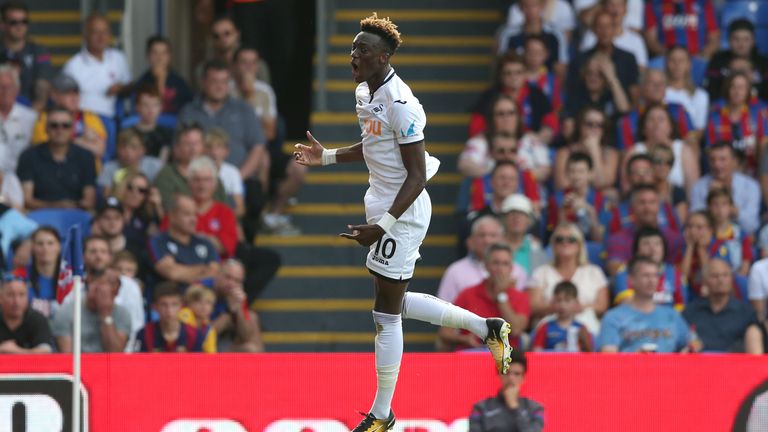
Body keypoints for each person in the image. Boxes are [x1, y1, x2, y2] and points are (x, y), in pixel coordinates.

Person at [293, 14, 514, 430]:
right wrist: (326, 157)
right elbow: (375, 145)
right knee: (392, 302)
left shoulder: (402, 104)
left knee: (385, 315)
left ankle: (382, 413)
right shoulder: (365, 91)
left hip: (405, 211)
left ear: (384, 57)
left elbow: (415, 174)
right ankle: (486, 327)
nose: (352, 55)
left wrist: (385, 226)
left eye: (362, 50)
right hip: (381, 203)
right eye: (353, 47)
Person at [439, 243, 531, 351]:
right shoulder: (468, 294)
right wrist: (464, 339)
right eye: (495, 263)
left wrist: (501, 296)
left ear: (511, 268)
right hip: (471, 355)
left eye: (505, 264)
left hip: (507, 359)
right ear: (486, 266)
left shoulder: (520, 297)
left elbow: (515, 329)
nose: (500, 269)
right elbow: (444, 333)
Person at [527, 223, 608, 334]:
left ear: (579, 245)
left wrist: (579, 307)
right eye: (559, 239)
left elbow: (602, 306)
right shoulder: (541, 272)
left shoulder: (594, 272)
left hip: (587, 330)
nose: (565, 243)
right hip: (548, 331)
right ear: (553, 245)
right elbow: (533, 306)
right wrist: (554, 307)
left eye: (571, 239)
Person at [598, 256, 691, 352]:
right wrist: (635, 357)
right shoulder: (613, 317)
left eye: (655, 275)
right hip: (630, 367)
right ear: (631, 280)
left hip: (669, 366)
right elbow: (608, 359)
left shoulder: (672, 315)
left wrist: (686, 352)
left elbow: (693, 345)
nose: (651, 280)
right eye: (646, 275)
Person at [17, 106, 96, 211]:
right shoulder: (29, 156)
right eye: (54, 125)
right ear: (46, 129)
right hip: (39, 216)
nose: (60, 130)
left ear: (73, 129)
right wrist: (58, 206)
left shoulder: (86, 156)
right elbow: (27, 199)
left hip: (75, 214)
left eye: (65, 126)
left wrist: (68, 207)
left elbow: (89, 201)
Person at [469, 53, 557, 143]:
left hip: (531, 145)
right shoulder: (489, 96)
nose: (514, 77)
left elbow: (551, 125)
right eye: (508, 73)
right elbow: (476, 129)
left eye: (518, 72)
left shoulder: (537, 95)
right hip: (496, 146)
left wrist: (538, 139)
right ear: (500, 76)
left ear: (525, 74)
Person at [438, 215, 526, 304]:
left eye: (493, 235)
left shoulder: (517, 271)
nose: (487, 240)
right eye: (481, 235)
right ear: (471, 240)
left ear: (502, 239)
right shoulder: (455, 271)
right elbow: (443, 307)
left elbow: (522, 309)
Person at [78, 235, 144, 351]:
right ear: (83, 256)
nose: (98, 256)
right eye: (93, 252)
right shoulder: (75, 285)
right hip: (82, 356)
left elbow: (136, 325)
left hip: (122, 356)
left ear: (110, 257)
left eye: (103, 252)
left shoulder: (129, 286)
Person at [683, 258, 763, 354]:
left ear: (732, 279)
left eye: (725, 275)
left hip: (735, 366)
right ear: (704, 281)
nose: (721, 280)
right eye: (715, 276)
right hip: (698, 365)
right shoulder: (691, 312)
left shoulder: (746, 313)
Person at [605, 183, 684, 275]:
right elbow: (614, 270)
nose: (647, 207)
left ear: (659, 206)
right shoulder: (618, 239)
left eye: (652, 202)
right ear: (632, 207)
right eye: (642, 202)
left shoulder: (673, 238)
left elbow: (681, 272)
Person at [62, 13, 131, 118]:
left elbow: (130, 86)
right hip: (84, 121)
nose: (101, 37)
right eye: (95, 32)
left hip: (112, 118)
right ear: (85, 35)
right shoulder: (73, 66)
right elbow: (65, 101)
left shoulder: (118, 58)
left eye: (105, 32)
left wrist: (120, 88)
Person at [52, 268, 132, 353]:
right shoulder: (66, 312)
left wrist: (106, 315)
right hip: (78, 365)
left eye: (115, 285)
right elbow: (67, 356)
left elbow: (116, 353)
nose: (113, 288)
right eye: (106, 283)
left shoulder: (123, 314)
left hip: (109, 365)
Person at [149, 194, 220, 287]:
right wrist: (203, 269)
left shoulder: (206, 243)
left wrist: (181, 269)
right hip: (172, 298)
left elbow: (215, 273)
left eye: (195, 214)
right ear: (172, 216)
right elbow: (172, 273)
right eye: (187, 214)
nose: (193, 219)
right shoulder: (158, 241)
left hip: (201, 299)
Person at [624, 103, 699, 191]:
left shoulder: (684, 151)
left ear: (670, 126)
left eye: (661, 119)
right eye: (651, 119)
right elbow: (626, 188)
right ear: (643, 128)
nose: (656, 124)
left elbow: (693, 189)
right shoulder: (633, 152)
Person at [31, 73, 106, 161]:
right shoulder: (44, 118)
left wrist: (64, 142)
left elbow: (99, 150)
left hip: (87, 171)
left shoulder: (90, 117)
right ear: (54, 95)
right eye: (68, 93)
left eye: (76, 93)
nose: (74, 98)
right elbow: (47, 150)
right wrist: (82, 141)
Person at [154, 121, 229, 209]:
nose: (193, 148)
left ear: (204, 146)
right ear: (177, 148)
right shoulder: (166, 175)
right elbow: (168, 210)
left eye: (197, 143)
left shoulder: (212, 174)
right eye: (187, 144)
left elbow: (225, 209)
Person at [690, 142, 761, 235]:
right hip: (710, 239)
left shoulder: (751, 186)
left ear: (734, 161)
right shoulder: (699, 186)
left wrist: (730, 208)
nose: (717, 165)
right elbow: (695, 223)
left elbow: (751, 226)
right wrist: (711, 198)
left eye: (722, 159)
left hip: (742, 240)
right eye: (712, 160)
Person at [705, 72, 768, 175]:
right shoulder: (715, 116)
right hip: (722, 171)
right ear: (727, 89)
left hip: (754, 172)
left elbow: (764, 149)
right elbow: (710, 150)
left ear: (748, 91)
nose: (737, 91)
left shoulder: (758, 115)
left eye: (741, 87)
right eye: (733, 87)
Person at [468, 349, 545, 432]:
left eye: (517, 374)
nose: (511, 378)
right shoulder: (480, 408)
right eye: (506, 372)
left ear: (523, 378)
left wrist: (514, 407)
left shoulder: (536, 409)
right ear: (498, 375)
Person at [613, 226, 688, 309]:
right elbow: (627, 304)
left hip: (668, 320)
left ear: (664, 249)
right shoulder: (626, 272)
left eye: (657, 244)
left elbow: (681, 306)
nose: (652, 249)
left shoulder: (675, 273)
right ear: (637, 250)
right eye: (646, 244)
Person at [0, 1, 53, 110]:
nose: (20, 26)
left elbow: (42, 92)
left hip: (31, 114)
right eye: (14, 22)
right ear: (2, 25)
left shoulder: (40, 52)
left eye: (24, 21)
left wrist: (27, 117)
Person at [554, 107, 619, 192]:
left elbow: (603, 183)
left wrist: (595, 151)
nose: (594, 128)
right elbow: (561, 184)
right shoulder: (565, 152)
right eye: (589, 124)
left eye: (600, 125)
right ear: (579, 126)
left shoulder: (611, 153)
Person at [137, 281, 213, 353]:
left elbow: (197, 365)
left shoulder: (195, 335)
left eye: (174, 304)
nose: (169, 310)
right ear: (155, 307)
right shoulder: (144, 334)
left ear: (181, 306)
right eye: (164, 305)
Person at [705, 19, 768, 102]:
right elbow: (710, 92)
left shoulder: (763, 62)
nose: (741, 44)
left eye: (746, 39)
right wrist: (731, 75)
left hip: (757, 110)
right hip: (725, 110)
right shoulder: (718, 60)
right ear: (729, 41)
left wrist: (753, 79)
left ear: (753, 41)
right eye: (736, 39)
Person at [498, 0, 568, 74]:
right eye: (526, 6)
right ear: (519, 7)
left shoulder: (555, 34)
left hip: (547, 83)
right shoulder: (508, 35)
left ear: (542, 6)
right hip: (517, 84)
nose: (531, 10)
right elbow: (502, 63)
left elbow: (560, 67)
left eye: (534, 5)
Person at [547, 152, 605, 241]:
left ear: (590, 174)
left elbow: (599, 239)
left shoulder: (601, 199)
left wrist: (591, 212)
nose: (576, 176)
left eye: (581, 171)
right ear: (567, 173)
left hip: (591, 247)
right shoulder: (556, 199)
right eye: (572, 171)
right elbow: (555, 239)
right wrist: (562, 212)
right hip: (566, 246)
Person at [210, 259, 264, 352]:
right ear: (218, 274)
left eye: (237, 281)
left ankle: (263, 365)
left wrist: (239, 309)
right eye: (228, 277)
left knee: (252, 317)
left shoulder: (236, 296)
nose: (231, 284)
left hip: (223, 343)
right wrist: (227, 315)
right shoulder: (202, 290)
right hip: (200, 347)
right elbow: (200, 334)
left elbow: (246, 336)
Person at [133, 35, 192, 115]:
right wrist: (160, 80)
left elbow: (189, 108)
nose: (159, 58)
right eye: (155, 53)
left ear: (169, 56)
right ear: (148, 56)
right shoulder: (142, 82)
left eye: (164, 53)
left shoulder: (179, 82)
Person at [579, 0, 648, 68]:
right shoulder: (592, 36)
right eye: (611, 5)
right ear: (604, 7)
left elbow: (640, 72)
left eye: (619, 5)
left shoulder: (636, 41)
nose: (615, 10)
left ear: (626, 9)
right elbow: (582, 66)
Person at [230, 46, 277, 141]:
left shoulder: (266, 91)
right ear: (235, 65)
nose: (249, 67)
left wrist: (250, 94)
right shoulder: (225, 88)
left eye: (253, 63)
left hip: (258, 143)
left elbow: (270, 133)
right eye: (244, 62)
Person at [643, 0, 719, 59]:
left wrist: (702, 55)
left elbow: (714, 38)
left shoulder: (704, 3)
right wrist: (671, 57)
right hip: (665, 59)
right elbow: (651, 40)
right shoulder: (654, 5)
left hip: (697, 58)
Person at [97, 128, 163, 197]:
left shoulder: (155, 166)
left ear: (142, 150)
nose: (128, 153)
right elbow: (106, 197)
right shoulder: (109, 167)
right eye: (123, 147)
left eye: (133, 147)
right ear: (117, 149)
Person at [531, 281, 593, 352]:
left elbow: (591, 356)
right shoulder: (545, 327)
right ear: (553, 302)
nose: (562, 305)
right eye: (558, 300)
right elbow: (536, 352)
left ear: (576, 302)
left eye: (567, 300)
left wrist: (585, 341)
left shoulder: (582, 328)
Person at [707, 188, 753, 277]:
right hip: (712, 280)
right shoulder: (705, 233)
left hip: (735, 280)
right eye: (715, 204)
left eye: (724, 204)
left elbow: (745, 265)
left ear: (731, 207)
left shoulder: (741, 234)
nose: (719, 209)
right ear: (709, 207)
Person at [0, 276, 52, 353]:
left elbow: (45, 351)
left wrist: (17, 351)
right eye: (10, 295)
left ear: (28, 297)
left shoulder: (37, 319)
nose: (16, 301)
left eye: (21, 295)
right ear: (1, 298)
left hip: (33, 365)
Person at [0, 63, 35, 174]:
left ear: (17, 89)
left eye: (9, 87)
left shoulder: (31, 118)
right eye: (1, 87)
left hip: (21, 178)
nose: (5, 92)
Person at [500, 194, 548, 275]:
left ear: (529, 220)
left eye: (521, 214)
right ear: (504, 219)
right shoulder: (493, 245)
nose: (516, 218)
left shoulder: (535, 247)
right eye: (512, 213)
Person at [665, 46, 710, 132]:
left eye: (681, 61)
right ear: (666, 63)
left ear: (689, 65)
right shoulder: (658, 92)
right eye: (673, 60)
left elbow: (699, 131)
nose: (677, 64)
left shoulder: (700, 96)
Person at [205, 128, 245, 217]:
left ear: (226, 151)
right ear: (204, 150)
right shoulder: (197, 170)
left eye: (218, 147)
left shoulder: (233, 172)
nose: (214, 152)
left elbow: (240, 208)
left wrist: (224, 219)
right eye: (210, 147)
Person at [22, 226, 60, 319]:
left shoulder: (69, 278)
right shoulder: (19, 275)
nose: (45, 248)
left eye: (50, 243)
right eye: (40, 243)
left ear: (59, 247)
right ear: (33, 248)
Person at [131, 85, 174, 162]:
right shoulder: (128, 134)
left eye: (155, 105)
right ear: (137, 107)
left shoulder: (168, 135)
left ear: (161, 107)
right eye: (145, 105)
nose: (150, 110)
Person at [178, 283, 217, 352]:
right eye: (198, 301)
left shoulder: (210, 330)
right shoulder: (185, 313)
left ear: (212, 308)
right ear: (189, 304)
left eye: (208, 302)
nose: (203, 305)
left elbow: (211, 354)